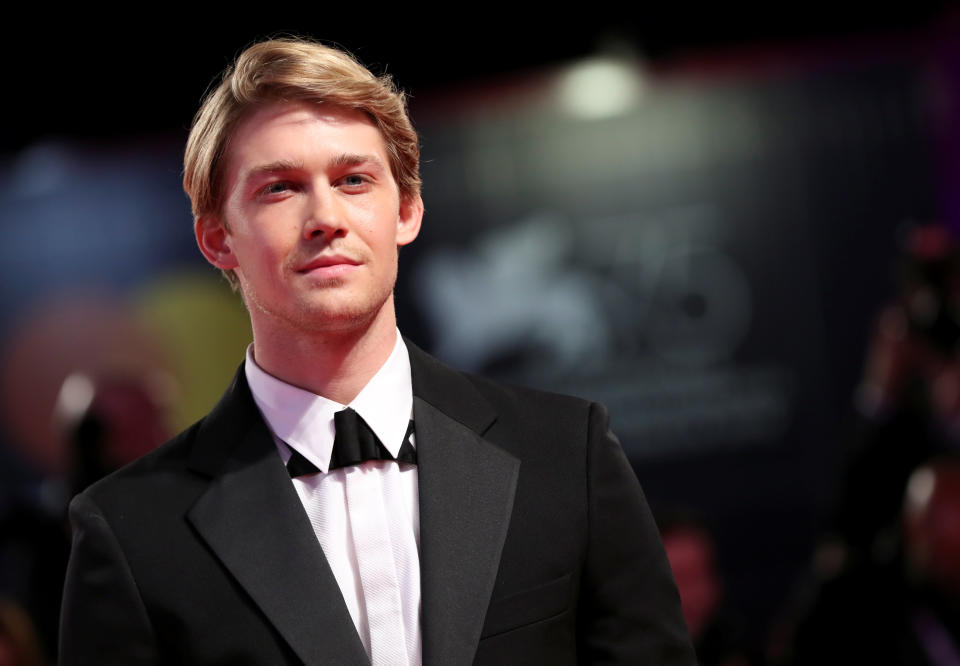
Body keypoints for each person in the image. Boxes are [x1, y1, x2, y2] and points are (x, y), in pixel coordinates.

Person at [59, 38, 694, 665]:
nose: (325, 216)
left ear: (407, 210)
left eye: (354, 179)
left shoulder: (565, 453)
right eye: (280, 188)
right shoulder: (131, 530)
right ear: (218, 239)